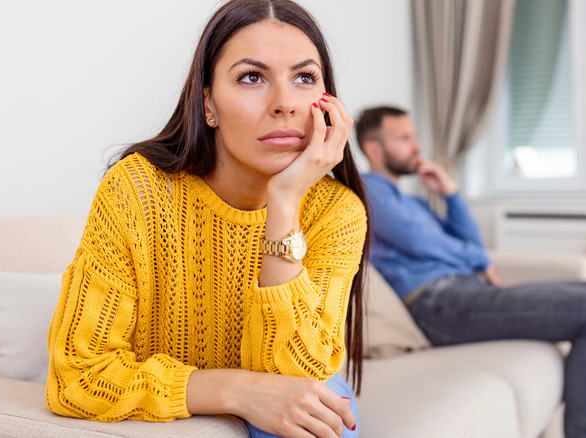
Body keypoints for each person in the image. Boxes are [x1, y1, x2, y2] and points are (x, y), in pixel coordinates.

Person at [46, 2, 368, 437]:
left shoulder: (336, 211)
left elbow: (296, 376)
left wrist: (285, 200)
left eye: (304, 78)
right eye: (252, 77)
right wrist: (233, 389)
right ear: (208, 104)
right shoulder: (137, 190)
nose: (286, 103)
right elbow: (78, 377)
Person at [355, 106, 586, 438]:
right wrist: (480, 260)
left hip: (466, 292)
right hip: (435, 304)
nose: (417, 146)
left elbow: (470, 241)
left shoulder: (414, 202)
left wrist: (450, 193)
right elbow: (420, 241)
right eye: (404, 138)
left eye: (414, 136)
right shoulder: (366, 190)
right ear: (373, 149)